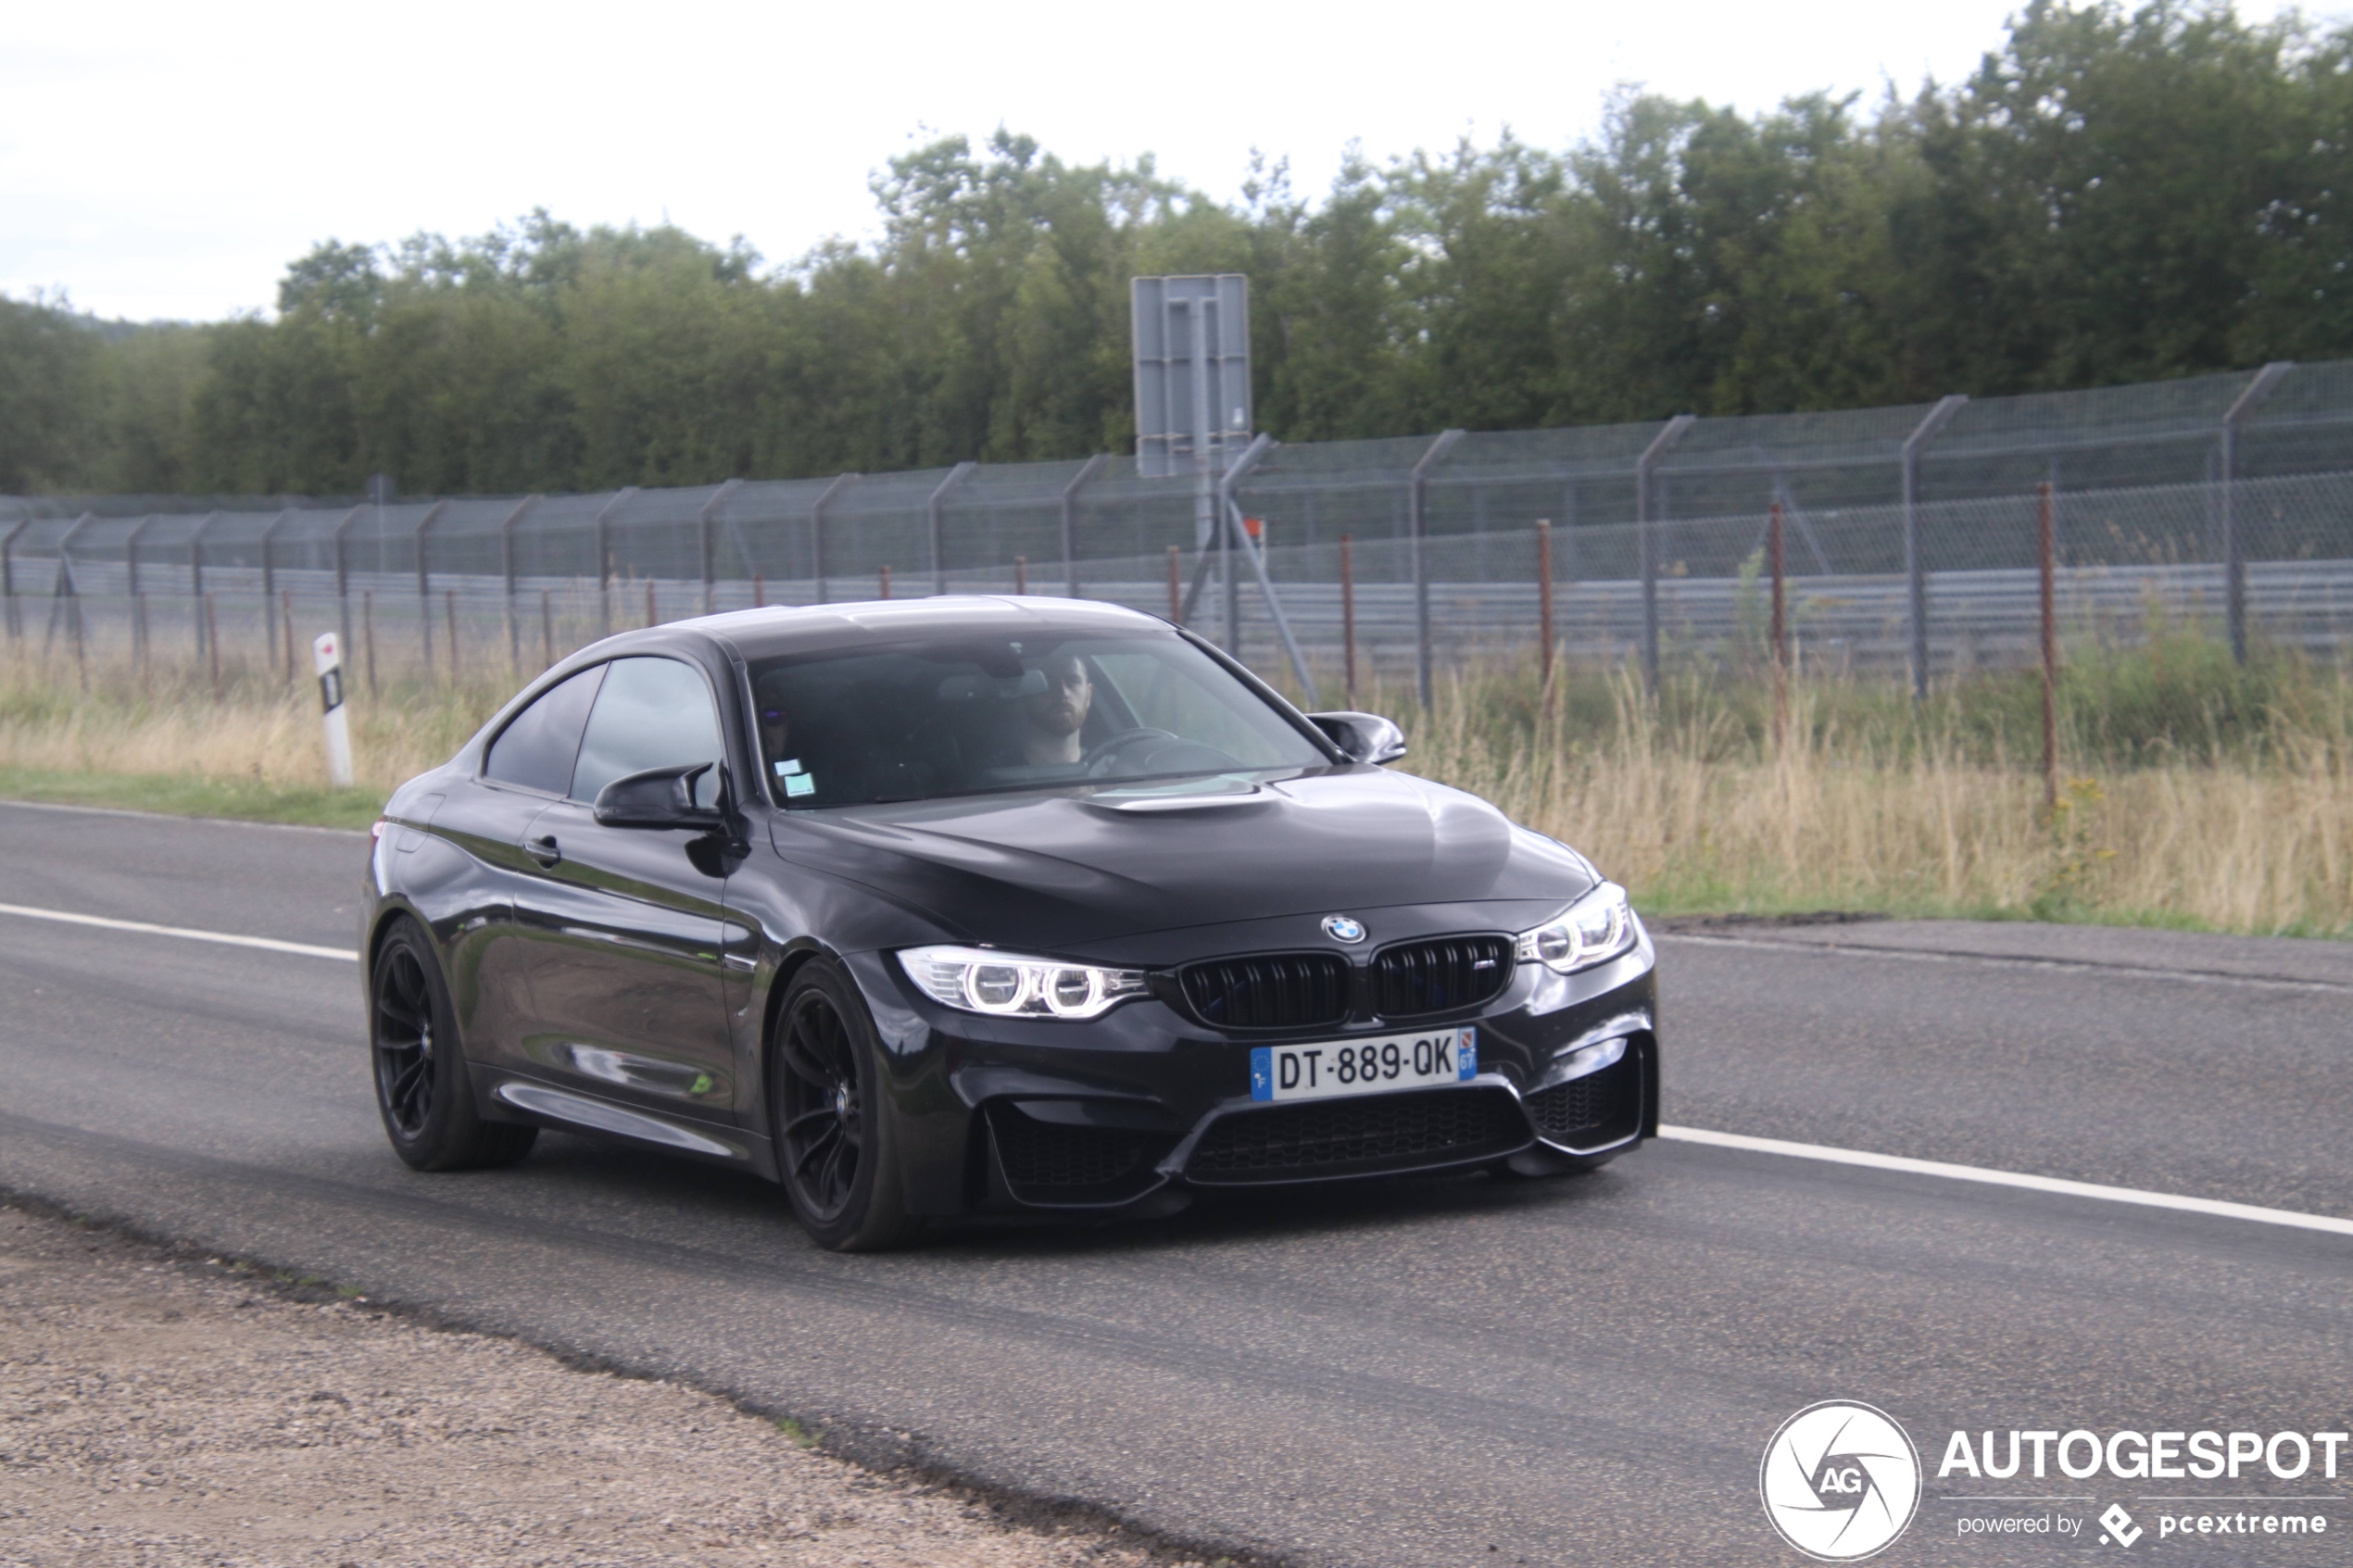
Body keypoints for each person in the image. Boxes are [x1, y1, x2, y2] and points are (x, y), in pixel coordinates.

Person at [1019, 651, 1093, 765]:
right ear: (1027, 695)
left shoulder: (1111, 770)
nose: (1063, 693)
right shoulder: (994, 775)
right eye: (1048, 682)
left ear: (1088, 695)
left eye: (1073, 681)